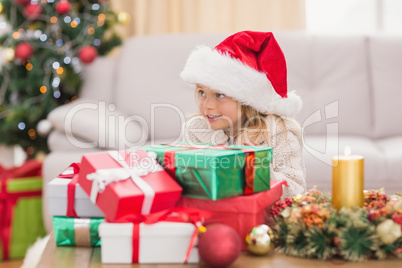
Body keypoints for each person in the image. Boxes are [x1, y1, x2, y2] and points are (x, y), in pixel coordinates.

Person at [179, 31, 306, 198]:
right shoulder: (196, 129)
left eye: (219, 95)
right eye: (202, 92)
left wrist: (260, 172)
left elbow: (296, 189)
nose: (207, 105)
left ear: (246, 100)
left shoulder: (277, 131)